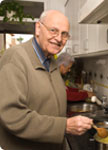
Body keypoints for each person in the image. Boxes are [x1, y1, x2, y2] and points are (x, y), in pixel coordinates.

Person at [0, 10, 93, 150]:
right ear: (38, 28)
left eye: (64, 34)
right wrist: (64, 126)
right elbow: (13, 116)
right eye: (53, 30)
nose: (59, 39)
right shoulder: (15, 58)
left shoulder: (51, 61)